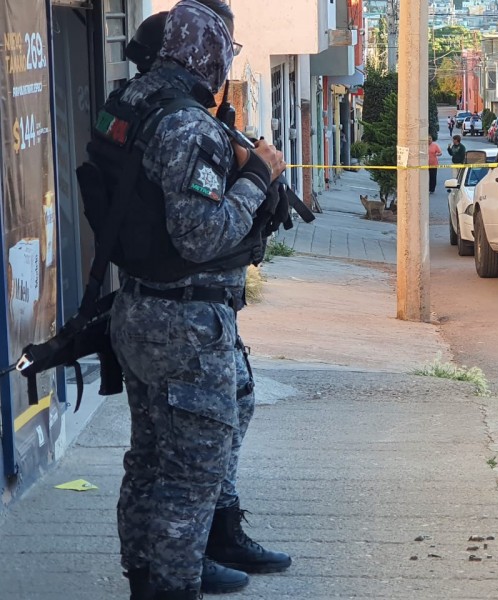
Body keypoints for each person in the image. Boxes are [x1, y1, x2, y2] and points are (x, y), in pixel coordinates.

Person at [95, 2, 291, 598]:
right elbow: (201, 235)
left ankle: (146, 578)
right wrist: (256, 176)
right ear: (208, 54)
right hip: (185, 326)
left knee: (150, 459)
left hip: (137, 310)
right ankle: (173, 586)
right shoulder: (188, 126)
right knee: (190, 475)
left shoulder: (127, 103)